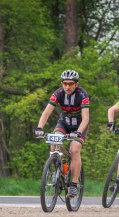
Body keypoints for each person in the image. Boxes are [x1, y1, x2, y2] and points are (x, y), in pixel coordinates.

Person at [34, 69, 90, 197]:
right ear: (61, 83)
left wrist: (78, 133)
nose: (68, 86)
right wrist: (39, 127)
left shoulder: (82, 95)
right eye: (65, 83)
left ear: (76, 83)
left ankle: (74, 185)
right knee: (54, 143)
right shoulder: (58, 93)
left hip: (80, 125)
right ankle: (57, 170)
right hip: (64, 123)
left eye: (70, 83)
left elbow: (86, 118)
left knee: (74, 149)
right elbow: (47, 112)